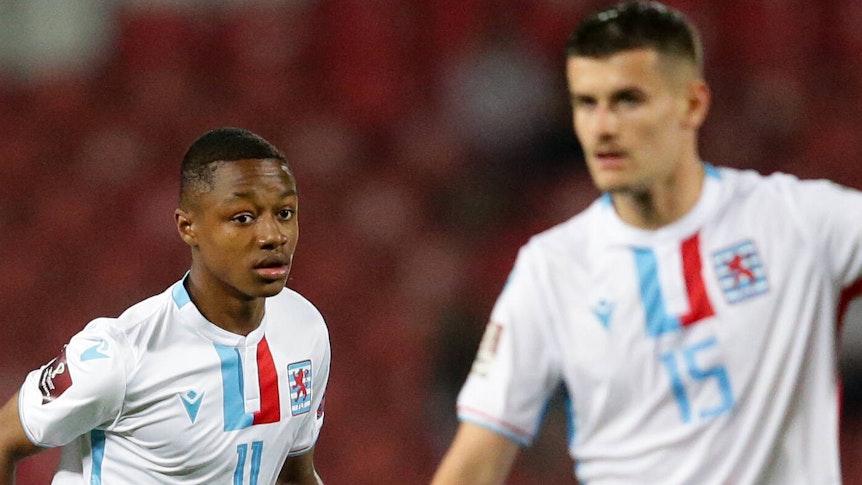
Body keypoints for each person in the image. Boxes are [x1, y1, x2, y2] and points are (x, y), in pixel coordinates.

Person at [431, 1, 862, 484]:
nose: (603, 126)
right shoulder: (551, 269)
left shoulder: (792, 219)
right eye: (586, 103)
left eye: (629, 100)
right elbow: (475, 460)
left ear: (691, 104)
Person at [0, 127, 331, 484]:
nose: (272, 236)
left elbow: (294, 475)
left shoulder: (305, 330)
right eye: (243, 218)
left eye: (284, 213)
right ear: (188, 227)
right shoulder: (120, 354)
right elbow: (4, 440)